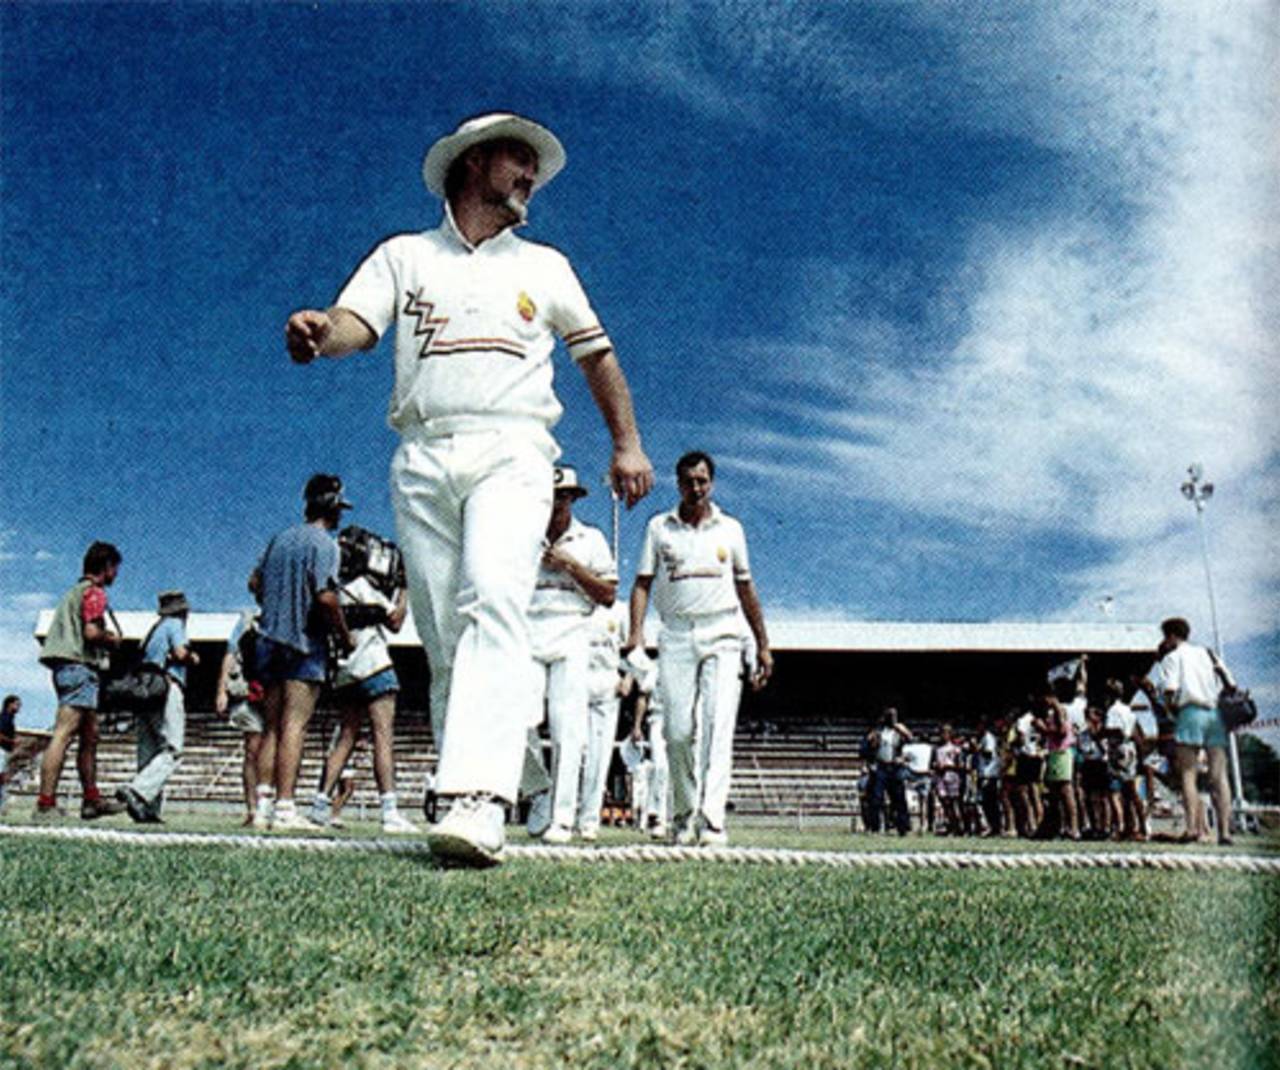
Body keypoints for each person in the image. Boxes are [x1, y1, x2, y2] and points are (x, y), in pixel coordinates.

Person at [285, 112, 653, 867]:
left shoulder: (545, 266)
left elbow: (598, 358)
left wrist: (627, 443)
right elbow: (359, 323)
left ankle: (474, 798)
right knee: (449, 638)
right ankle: (504, 760)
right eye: (519, 162)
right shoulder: (403, 255)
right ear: (474, 163)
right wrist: (322, 334)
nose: (531, 178)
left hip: (514, 450)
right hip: (422, 457)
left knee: (492, 597)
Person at [626, 451, 771, 847]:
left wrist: (762, 644)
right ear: (678, 484)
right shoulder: (660, 528)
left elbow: (746, 587)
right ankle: (683, 812)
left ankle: (712, 819)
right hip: (674, 635)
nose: (696, 488)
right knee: (675, 731)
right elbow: (641, 583)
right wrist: (635, 635)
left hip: (723, 631)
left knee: (716, 724)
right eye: (689, 481)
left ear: (712, 483)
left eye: (702, 481)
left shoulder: (731, 529)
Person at [249, 474, 355, 831]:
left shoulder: (280, 539)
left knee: (272, 727)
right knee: (296, 723)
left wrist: (276, 601)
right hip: (303, 642)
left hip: (269, 640)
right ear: (331, 506)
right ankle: (285, 807)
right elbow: (326, 596)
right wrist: (343, 635)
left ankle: (262, 805)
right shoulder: (325, 544)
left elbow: (255, 582)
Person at [520, 466, 618, 843]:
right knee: (518, 720)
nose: (555, 503)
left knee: (567, 728)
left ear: (573, 499)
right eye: (549, 495)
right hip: (528, 629)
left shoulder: (589, 539)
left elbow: (607, 595)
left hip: (572, 629)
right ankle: (539, 791)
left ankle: (562, 817)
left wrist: (570, 566)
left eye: (562, 496)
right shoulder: (522, 537)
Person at [309, 527, 417, 834]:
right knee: (383, 735)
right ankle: (390, 811)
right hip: (374, 665)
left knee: (346, 736)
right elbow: (395, 622)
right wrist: (403, 589)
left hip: (345, 672)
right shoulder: (364, 586)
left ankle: (319, 804)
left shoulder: (335, 589)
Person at [35, 541, 127, 820]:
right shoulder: (94, 593)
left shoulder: (72, 593)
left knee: (90, 735)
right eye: (115, 568)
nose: (116, 574)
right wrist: (111, 638)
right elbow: (90, 633)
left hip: (67, 666)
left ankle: (91, 799)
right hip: (79, 667)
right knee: (63, 734)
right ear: (107, 566)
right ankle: (45, 803)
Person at [116, 591, 200, 823]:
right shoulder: (175, 625)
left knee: (148, 749)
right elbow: (181, 653)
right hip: (166, 686)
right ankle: (137, 791)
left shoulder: (153, 631)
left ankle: (148, 810)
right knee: (173, 748)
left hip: (145, 689)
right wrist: (193, 658)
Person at [1157, 616, 1234, 845]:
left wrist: (1172, 712)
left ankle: (1192, 828)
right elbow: (1230, 682)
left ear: (1170, 636)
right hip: (1214, 714)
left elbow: (1170, 690)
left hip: (1189, 713)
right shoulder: (1207, 653)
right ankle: (1225, 831)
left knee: (1188, 774)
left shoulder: (1172, 657)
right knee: (1219, 776)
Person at [577, 600, 630, 842]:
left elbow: (633, 647)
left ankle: (589, 820)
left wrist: (629, 676)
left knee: (599, 758)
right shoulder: (575, 605)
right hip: (577, 679)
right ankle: (560, 816)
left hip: (607, 682)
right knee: (573, 752)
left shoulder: (619, 610)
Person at [215, 609, 265, 825]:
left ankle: (268, 805)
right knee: (253, 751)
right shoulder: (247, 620)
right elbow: (231, 653)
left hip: (274, 690)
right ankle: (253, 808)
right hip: (249, 691)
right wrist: (221, 690)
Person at [864, 707, 912, 836]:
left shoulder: (898, 731)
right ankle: (875, 827)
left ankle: (903, 827)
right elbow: (869, 744)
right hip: (881, 766)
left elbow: (909, 738)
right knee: (876, 797)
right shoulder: (879, 731)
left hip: (894, 766)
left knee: (899, 798)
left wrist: (899, 727)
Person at [0, 695, 19, 813]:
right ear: (10, 704)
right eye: (16, 704)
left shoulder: (10, 719)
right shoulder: (4, 718)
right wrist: (12, 741)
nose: (18, 708)